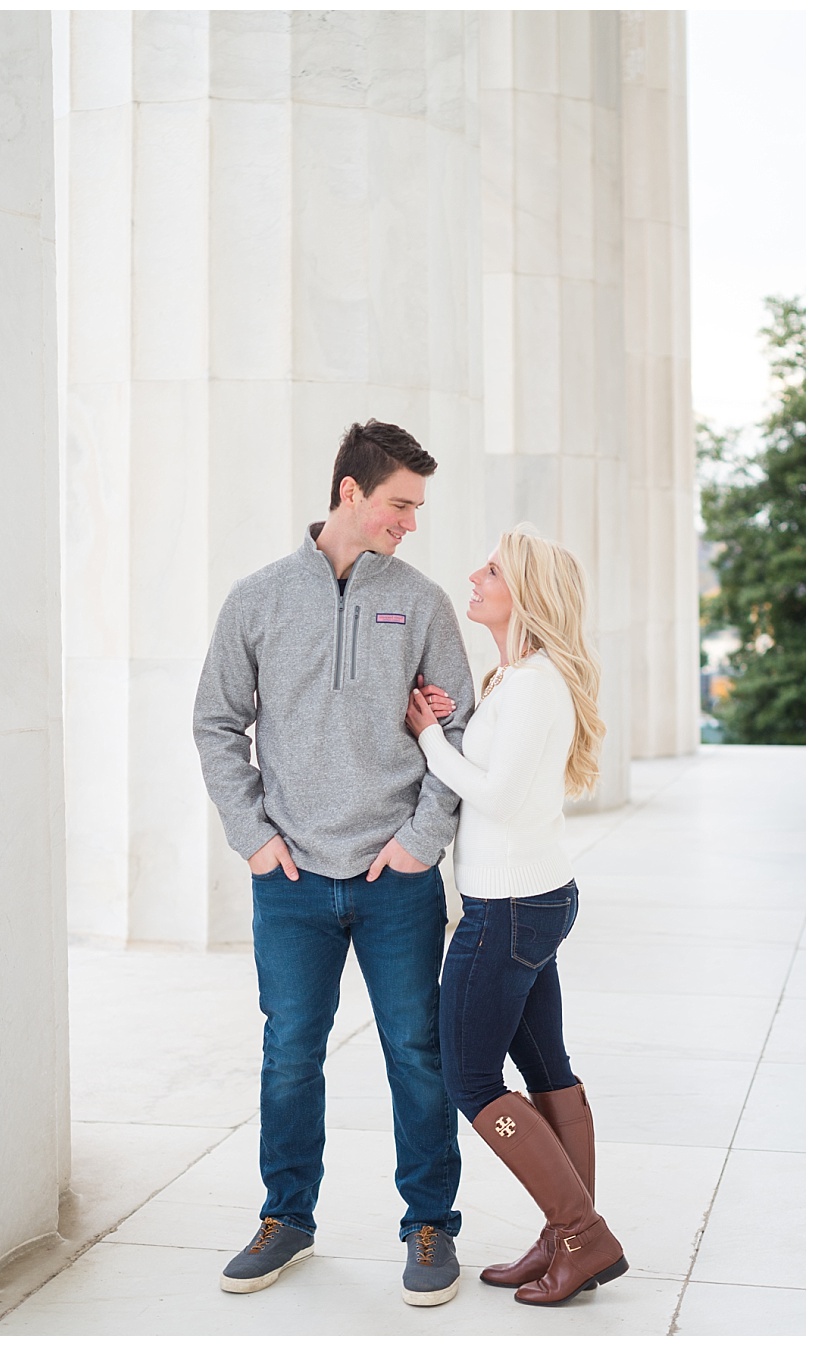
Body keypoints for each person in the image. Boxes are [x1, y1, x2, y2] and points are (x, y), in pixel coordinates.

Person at [193, 419, 476, 1306]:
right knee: (289, 1054)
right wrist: (253, 834)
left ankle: (430, 1224)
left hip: (395, 877)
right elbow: (214, 723)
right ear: (350, 493)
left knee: (416, 1052)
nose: (412, 522)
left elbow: (460, 730)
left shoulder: (421, 601)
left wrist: (420, 844)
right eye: (401, 503)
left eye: (418, 507)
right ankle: (289, 1219)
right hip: (291, 878)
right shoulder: (258, 597)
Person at [402, 524, 626, 1306]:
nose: (475, 575)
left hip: (507, 912)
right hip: (530, 901)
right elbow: (500, 774)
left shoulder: (533, 686)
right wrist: (449, 718)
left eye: (491, 569)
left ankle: (582, 1235)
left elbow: (488, 793)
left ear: (523, 593)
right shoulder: (516, 681)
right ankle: (566, 1237)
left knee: (470, 1078)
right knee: (547, 1071)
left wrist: (429, 735)